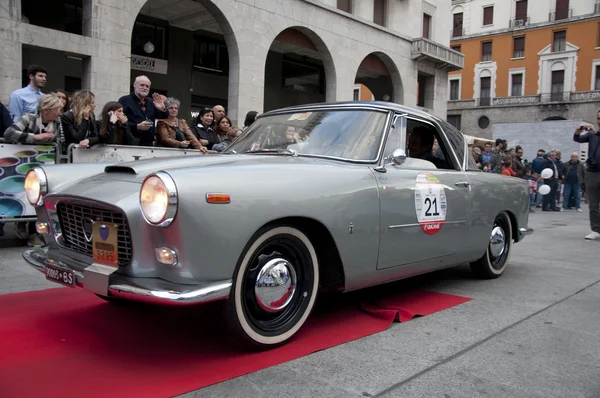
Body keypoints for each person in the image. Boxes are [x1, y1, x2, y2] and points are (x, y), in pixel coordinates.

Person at [118, 75, 168, 146]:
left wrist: (162, 108)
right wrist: (137, 126)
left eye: (147, 86)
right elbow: (119, 122)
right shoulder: (125, 100)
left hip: (148, 144)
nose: (145, 88)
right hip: (130, 143)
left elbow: (164, 116)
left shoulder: (151, 102)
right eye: (142, 85)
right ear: (135, 85)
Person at [574, 116, 600, 240]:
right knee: (593, 203)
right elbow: (577, 139)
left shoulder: (595, 133)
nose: (599, 120)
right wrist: (577, 131)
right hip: (593, 172)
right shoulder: (591, 135)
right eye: (598, 118)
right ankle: (595, 230)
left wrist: (597, 133)